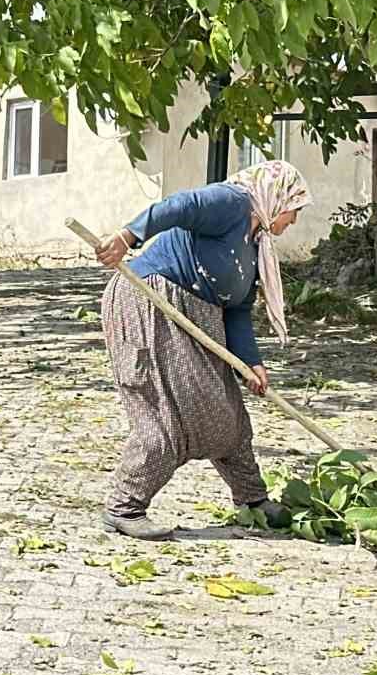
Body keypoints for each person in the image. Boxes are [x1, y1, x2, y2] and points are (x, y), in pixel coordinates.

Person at [92, 160, 311, 540]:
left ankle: (252, 499)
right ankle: (124, 505)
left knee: (227, 409)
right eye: (295, 208)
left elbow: (238, 309)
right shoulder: (231, 203)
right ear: (279, 197)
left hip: (200, 319)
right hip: (152, 303)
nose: (294, 220)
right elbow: (178, 207)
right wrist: (127, 237)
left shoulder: (254, 245)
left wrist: (251, 363)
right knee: (170, 411)